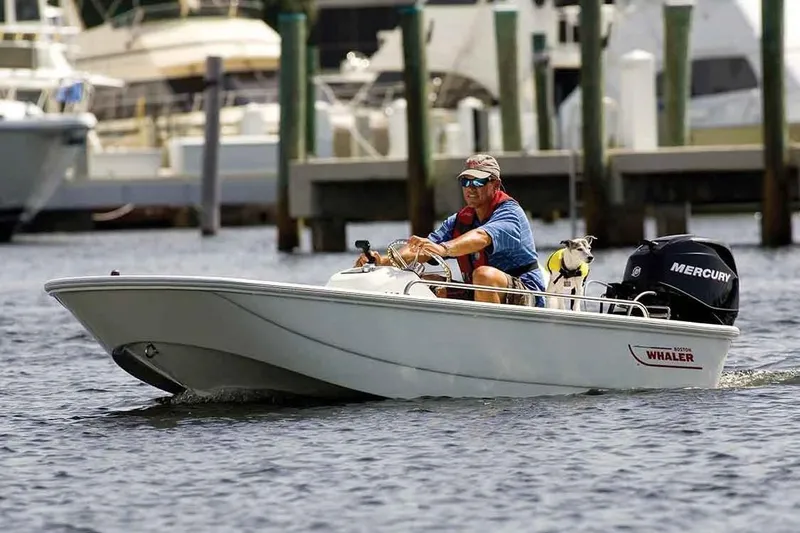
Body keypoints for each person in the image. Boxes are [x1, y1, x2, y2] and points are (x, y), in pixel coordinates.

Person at [355, 153, 547, 307]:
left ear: (495, 184)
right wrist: (383, 260)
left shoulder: (510, 214)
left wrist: (444, 249)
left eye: (478, 182)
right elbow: (421, 249)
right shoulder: (459, 221)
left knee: (483, 275)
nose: (470, 188)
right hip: (479, 291)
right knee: (423, 282)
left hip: (527, 294)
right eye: (466, 182)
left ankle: (491, 341)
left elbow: (481, 237)